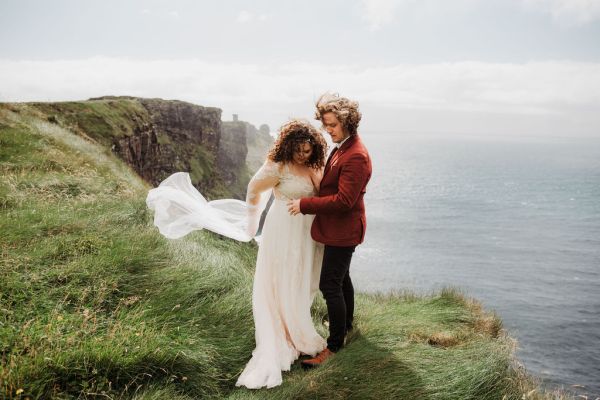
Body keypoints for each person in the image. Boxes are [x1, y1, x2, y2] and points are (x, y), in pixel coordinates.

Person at [146, 118, 330, 389]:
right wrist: (252, 225)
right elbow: (254, 190)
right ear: (288, 146)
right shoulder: (278, 166)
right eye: (299, 150)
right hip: (283, 231)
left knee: (303, 280)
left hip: (307, 233)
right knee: (283, 280)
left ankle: (298, 328)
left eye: (308, 150)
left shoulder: (314, 164)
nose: (303, 154)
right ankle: (288, 336)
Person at [287, 93, 372, 368]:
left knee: (329, 284)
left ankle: (334, 346)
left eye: (332, 125)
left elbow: (344, 200)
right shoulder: (343, 147)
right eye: (325, 125)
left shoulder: (356, 155)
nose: (328, 130)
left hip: (344, 230)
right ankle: (345, 326)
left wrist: (304, 204)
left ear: (347, 122)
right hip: (337, 228)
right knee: (342, 278)